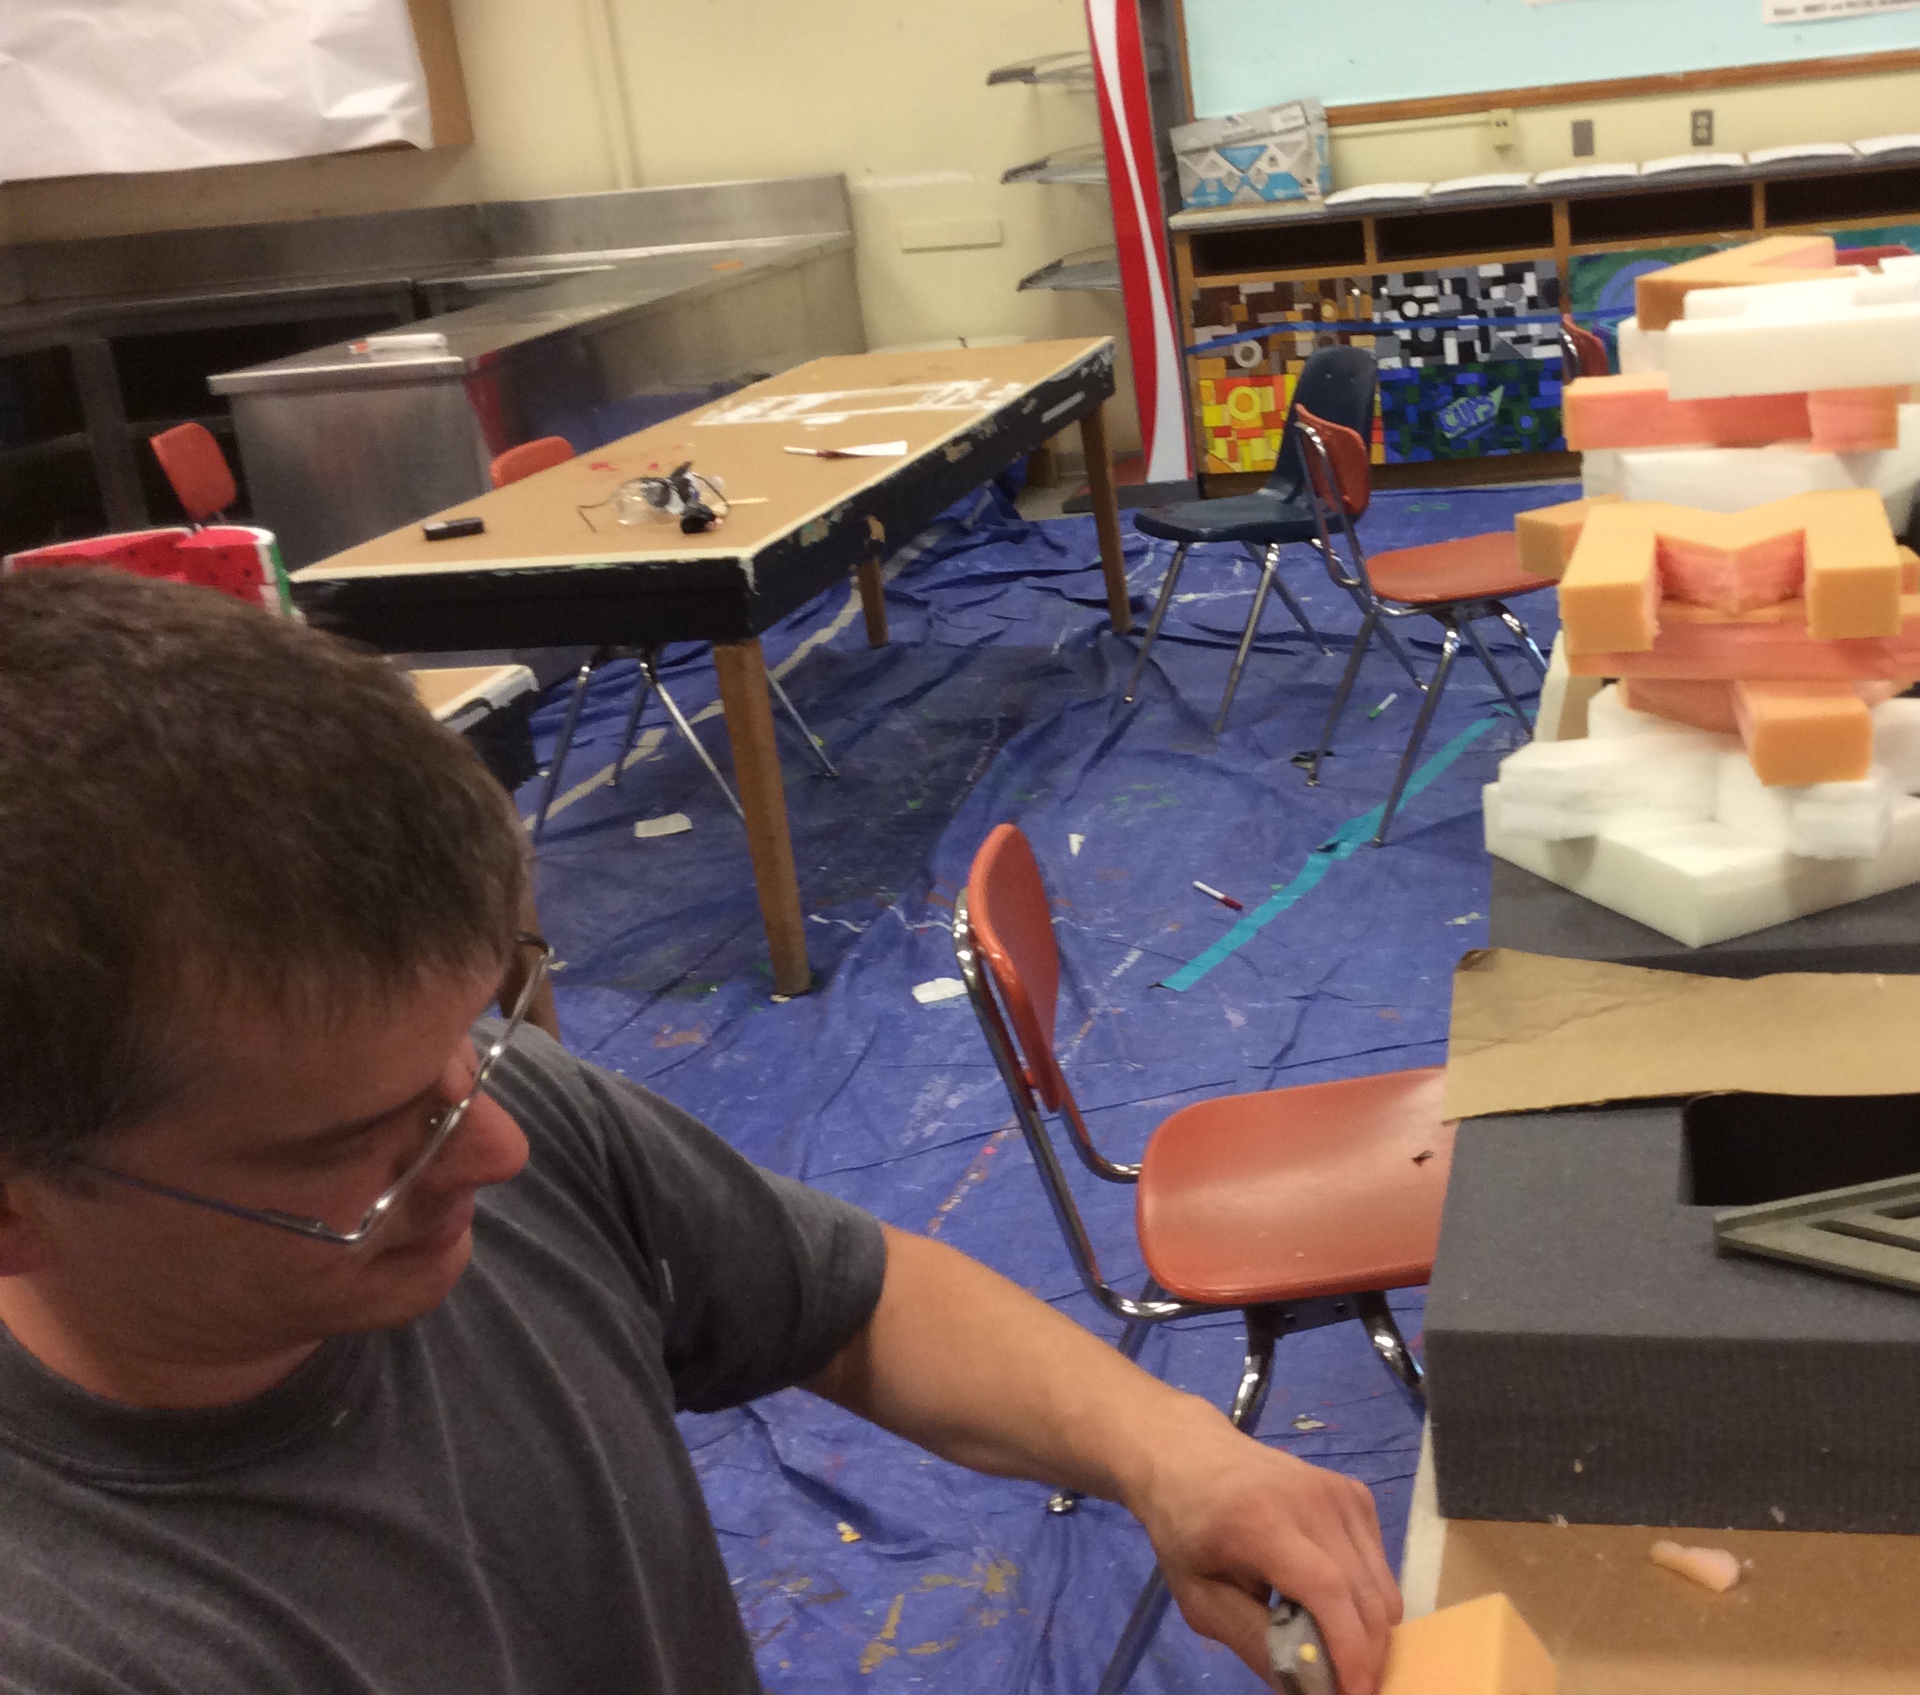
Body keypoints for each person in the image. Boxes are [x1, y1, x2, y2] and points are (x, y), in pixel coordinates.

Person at [0, 568, 1400, 1694]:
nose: (494, 1149)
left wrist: (1172, 1454)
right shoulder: (76, 1639)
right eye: (362, 1142)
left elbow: (849, 1303)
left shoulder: (485, 1111)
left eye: (479, 1031)